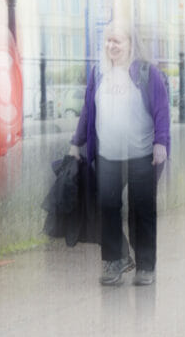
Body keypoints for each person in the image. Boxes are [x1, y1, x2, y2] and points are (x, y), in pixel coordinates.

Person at [69, 23, 172, 286]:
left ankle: (146, 266)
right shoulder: (98, 73)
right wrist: (76, 142)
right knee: (108, 209)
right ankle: (113, 261)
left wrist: (161, 142)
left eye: (117, 41)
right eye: (108, 41)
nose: (111, 46)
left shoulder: (148, 74)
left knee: (142, 210)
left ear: (130, 44)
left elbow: (162, 111)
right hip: (107, 154)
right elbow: (87, 111)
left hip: (141, 154)